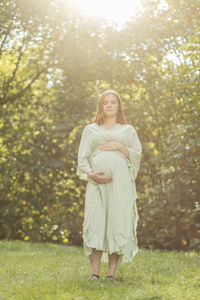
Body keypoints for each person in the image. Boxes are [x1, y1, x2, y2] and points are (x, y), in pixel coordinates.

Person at [76, 89, 142, 281]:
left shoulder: (128, 130)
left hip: (120, 184)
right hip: (96, 184)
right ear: (101, 107)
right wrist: (90, 174)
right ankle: (95, 273)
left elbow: (137, 154)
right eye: (106, 102)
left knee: (117, 221)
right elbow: (82, 159)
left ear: (119, 106)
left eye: (114, 102)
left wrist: (120, 147)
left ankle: (111, 274)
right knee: (95, 221)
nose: (110, 105)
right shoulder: (91, 129)